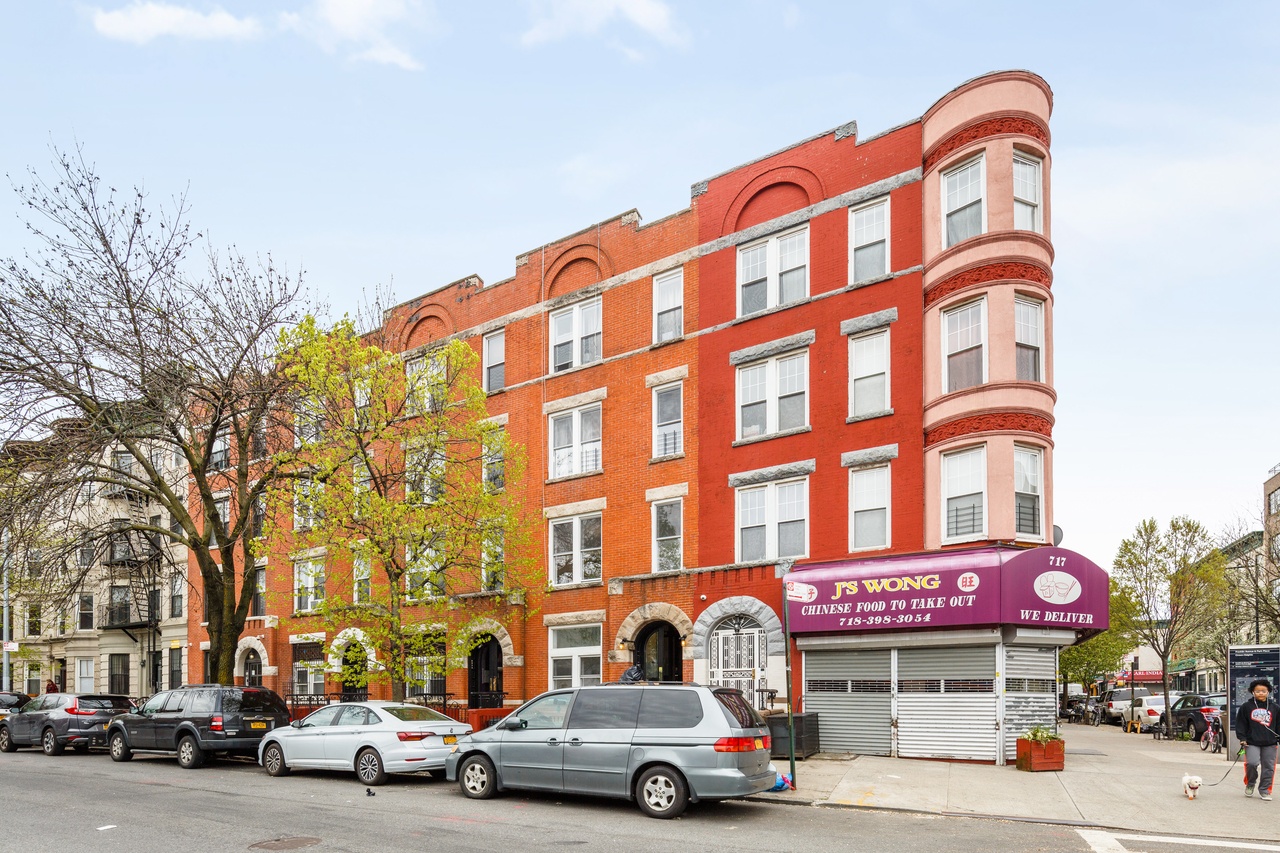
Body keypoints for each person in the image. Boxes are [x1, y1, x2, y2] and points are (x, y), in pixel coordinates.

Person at [1235, 678, 1280, 800]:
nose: (1261, 693)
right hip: (1251, 742)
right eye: (1258, 691)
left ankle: (1265, 790)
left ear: (1268, 692)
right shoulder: (1246, 707)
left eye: (1263, 691)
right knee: (1252, 763)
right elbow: (1241, 724)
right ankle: (1250, 784)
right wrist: (1242, 738)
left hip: (1270, 742)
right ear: (1253, 692)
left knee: (1269, 767)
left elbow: (1278, 724)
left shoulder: (1274, 707)